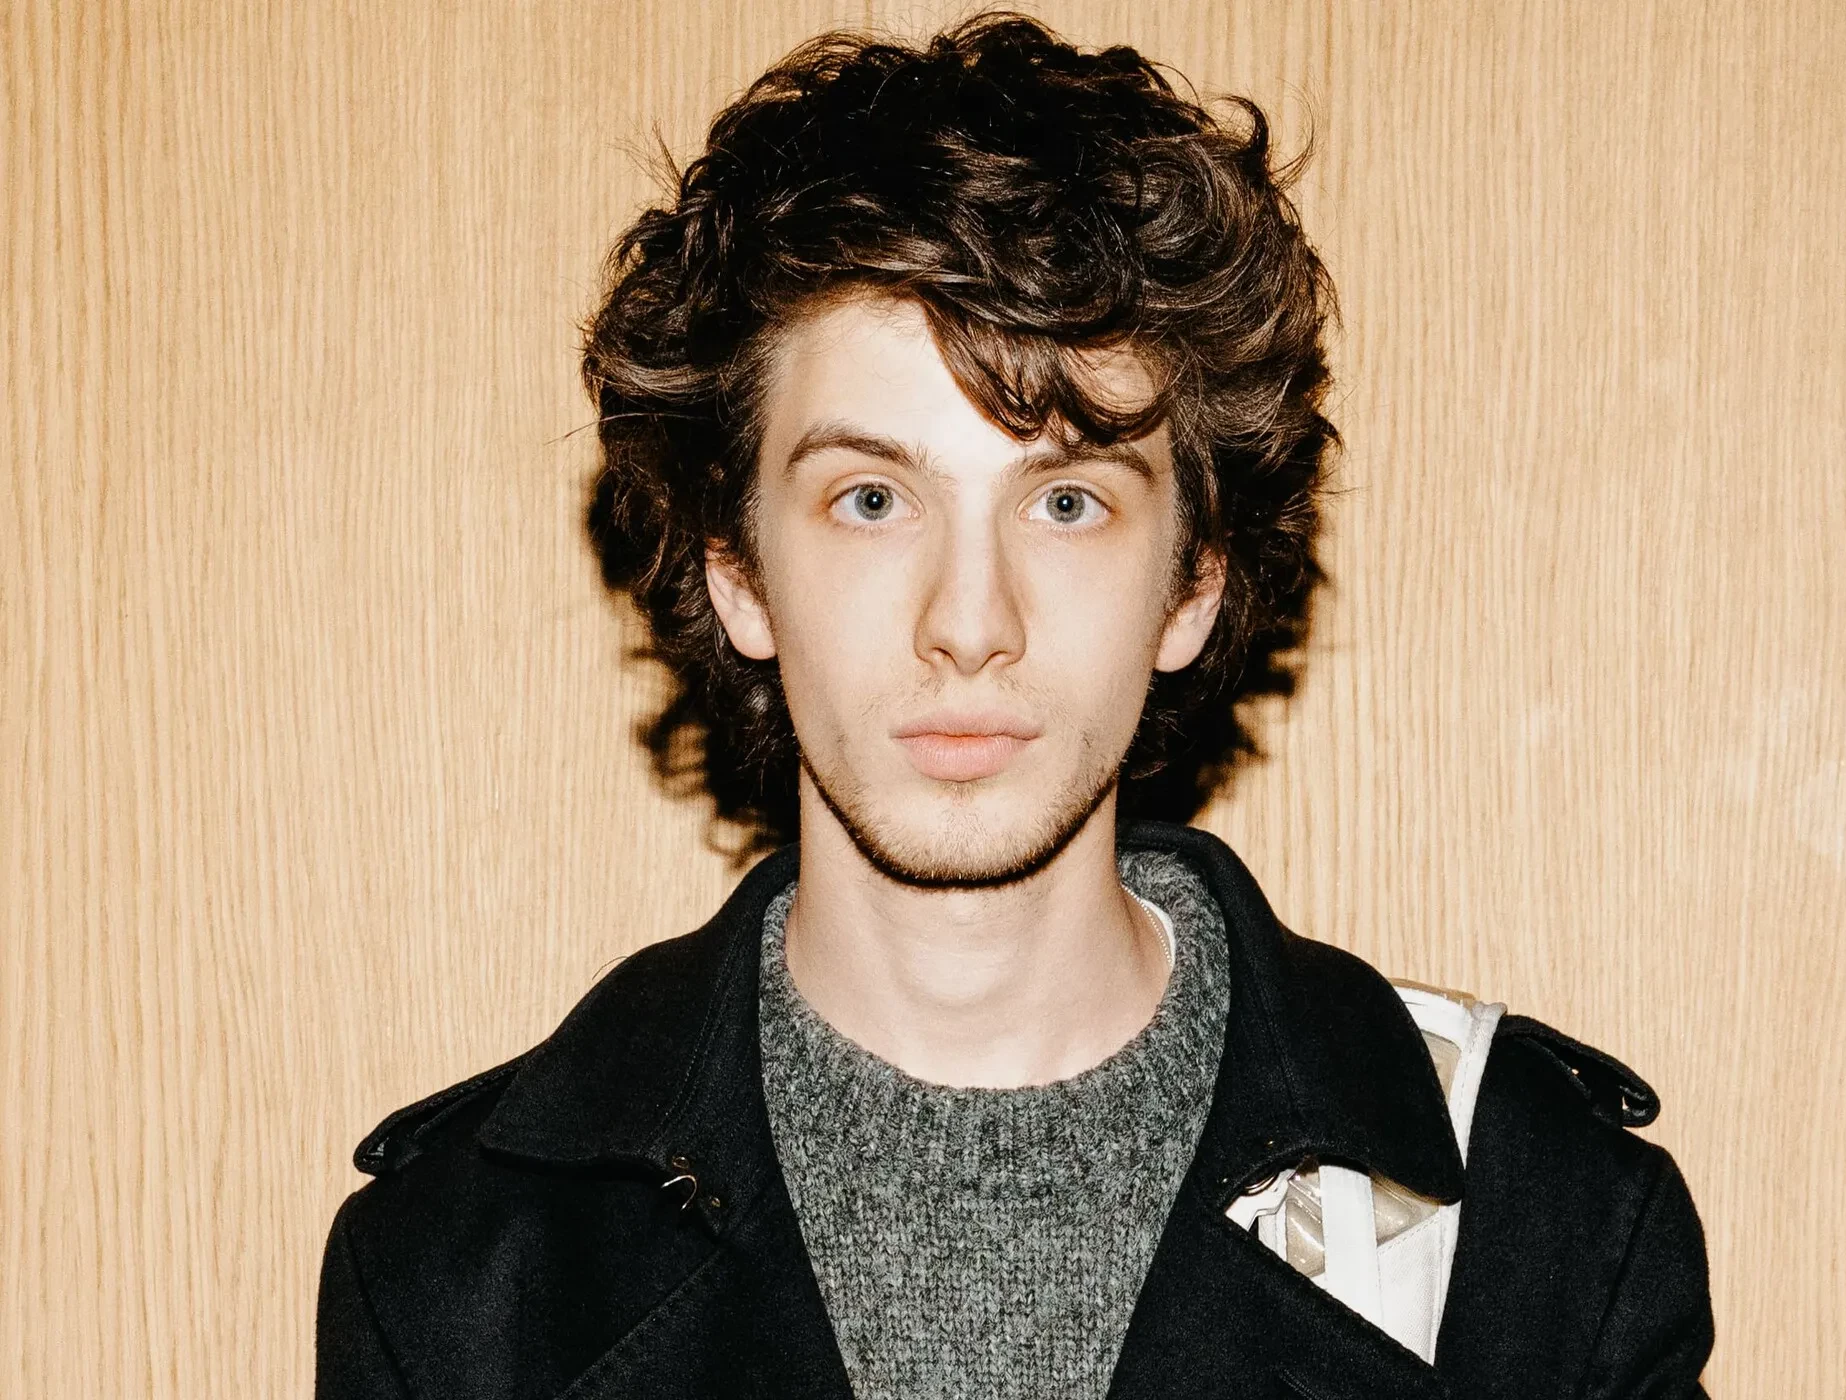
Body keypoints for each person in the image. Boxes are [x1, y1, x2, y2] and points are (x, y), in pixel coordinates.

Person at [314, 14, 1714, 1398]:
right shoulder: (463, 1273)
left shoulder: (1537, 1226)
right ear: (738, 574)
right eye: (872, 500)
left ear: (1194, 584)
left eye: (1065, 502)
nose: (969, 622)